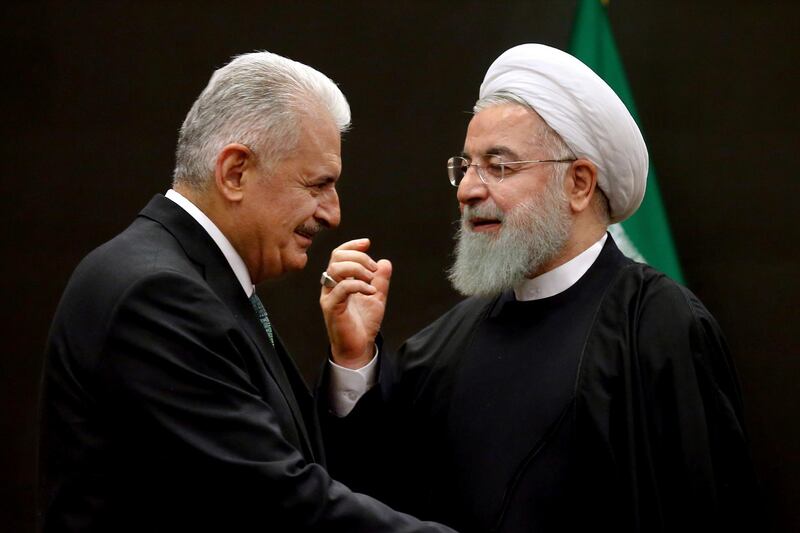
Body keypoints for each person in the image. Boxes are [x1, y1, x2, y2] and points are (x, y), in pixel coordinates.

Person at [319, 44, 759, 532]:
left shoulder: (659, 328)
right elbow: (368, 497)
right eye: (465, 166)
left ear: (579, 183)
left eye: (499, 166)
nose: (468, 189)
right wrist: (355, 361)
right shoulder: (441, 347)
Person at [38, 51, 456, 533]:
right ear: (235, 172)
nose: (333, 213)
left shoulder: (199, 281)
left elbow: (291, 466)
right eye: (319, 184)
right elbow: (275, 499)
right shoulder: (157, 294)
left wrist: (350, 359)